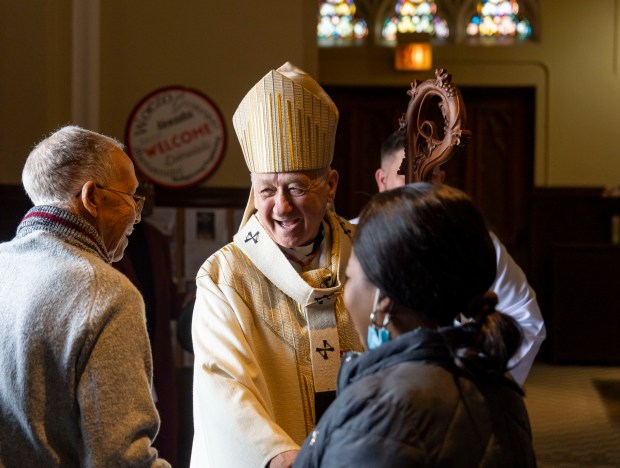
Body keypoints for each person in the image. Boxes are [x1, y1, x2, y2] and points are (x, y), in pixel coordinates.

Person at [190, 62, 362, 468]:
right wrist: (286, 459)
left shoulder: (368, 256)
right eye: (266, 190)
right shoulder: (225, 276)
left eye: (298, 187)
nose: (280, 207)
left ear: (331, 184)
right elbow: (224, 386)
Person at [294, 183, 537, 467]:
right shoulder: (496, 379)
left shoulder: (378, 414)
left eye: (351, 276)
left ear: (382, 299)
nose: (345, 292)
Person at [0, 125, 170, 467]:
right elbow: (121, 459)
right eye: (132, 197)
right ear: (92, 197)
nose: (137, 215)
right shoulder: (105, 292)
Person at [364, 129, 546, 386]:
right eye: (406, 176)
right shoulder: (352, 237)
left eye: (428, 176)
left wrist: (476, 387)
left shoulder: (472, 242)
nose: (417, 188)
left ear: (441, 180)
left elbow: (526, 322)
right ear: (382, 181)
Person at [113, 176, 180, 466]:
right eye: (140, 192)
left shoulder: (156, 239)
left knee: (165, 435)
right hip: (124, 357)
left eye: (150, 193)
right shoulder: (109, 237)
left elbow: (167, 295)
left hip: (158, 354)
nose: (147, 199)